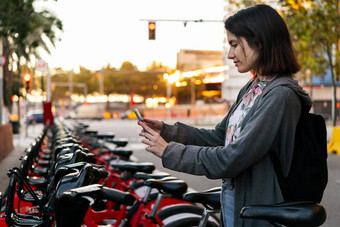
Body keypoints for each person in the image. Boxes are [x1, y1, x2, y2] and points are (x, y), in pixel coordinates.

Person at [137, 4, 312, 227]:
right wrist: (169, 131)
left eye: (235, 45)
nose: (230, 55)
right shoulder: (253, 88)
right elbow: (219, 138)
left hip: (259, 212)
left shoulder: (280, 96)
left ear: (259, 41)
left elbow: (232, 158)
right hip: (235, 201)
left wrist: (169, 152)